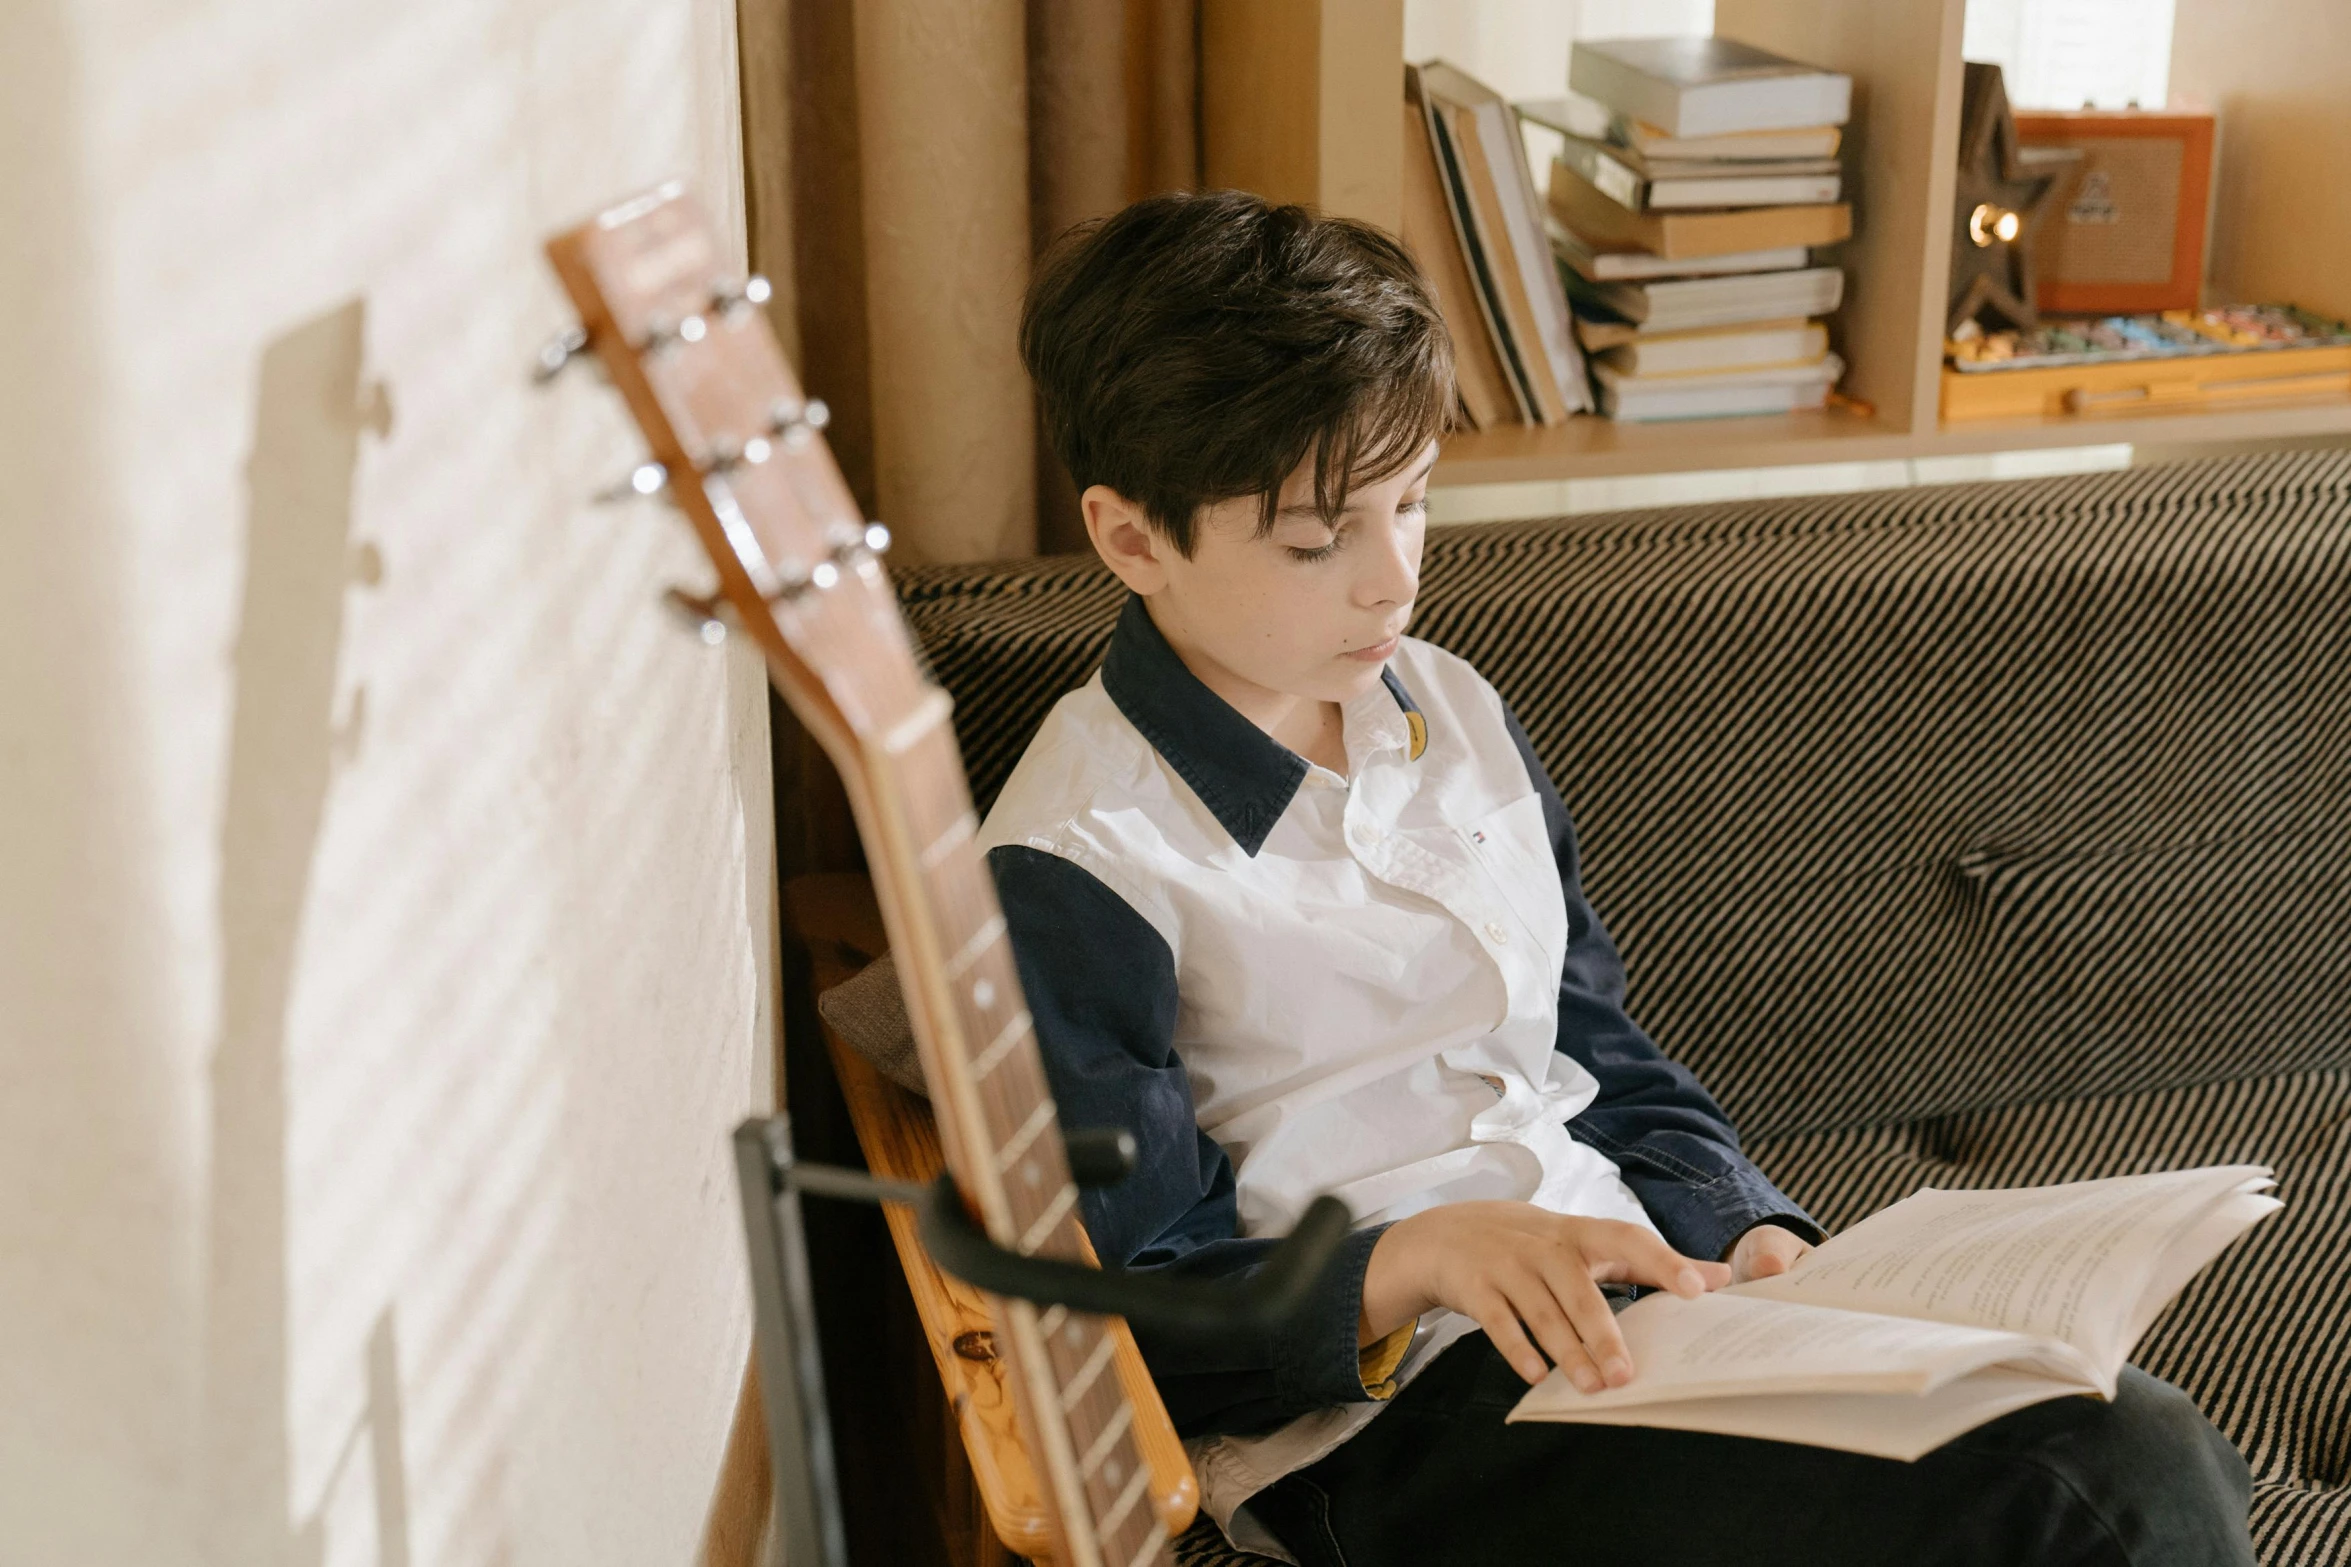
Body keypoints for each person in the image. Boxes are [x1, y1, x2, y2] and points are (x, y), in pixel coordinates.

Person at [978, 189, 2255, 1566]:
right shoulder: (1078, 861)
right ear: (1130, 539)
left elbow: (1591, 1041)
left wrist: (1750, 1226)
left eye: (1412, 501)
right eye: (1315, 539)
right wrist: (1411, 1260)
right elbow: (1129, 1319)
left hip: (1649, 1302)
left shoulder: (1445, 703)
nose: (1388, 581)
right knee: (2085, 1484)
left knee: (2123, 1431)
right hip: (1391, 1428)